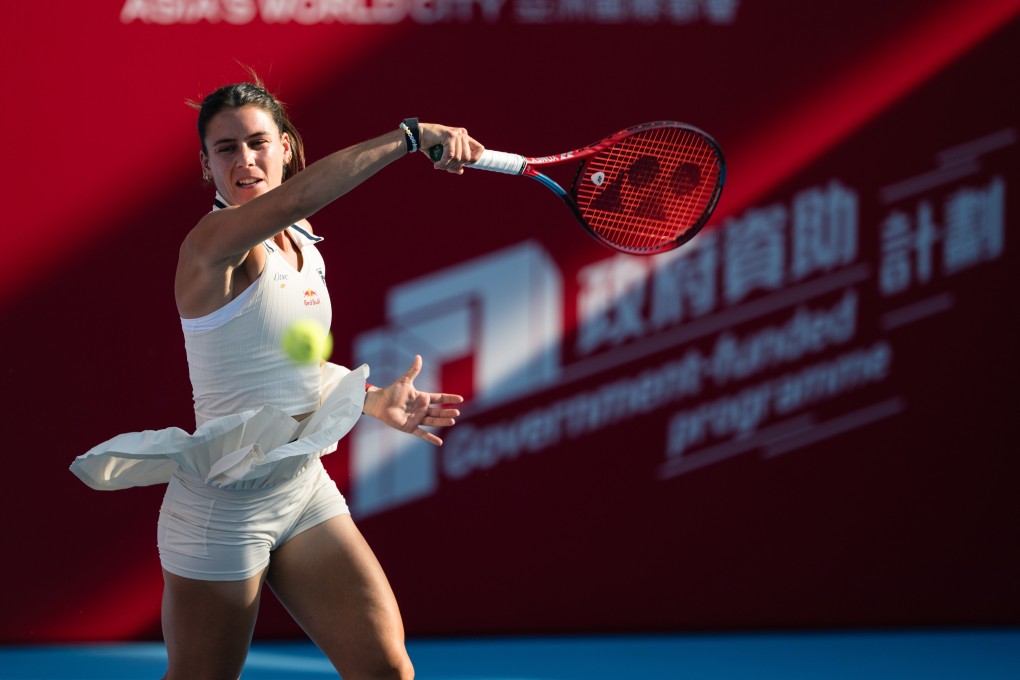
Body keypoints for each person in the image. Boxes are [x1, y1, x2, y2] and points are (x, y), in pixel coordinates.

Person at [70, 76, 485, 680]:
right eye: (226, 149)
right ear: (207, 166)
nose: (245, 160)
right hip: (224, 507)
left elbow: (293, 366)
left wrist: (369, 400)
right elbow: (293, 200)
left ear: (286, 147)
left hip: (301, 488)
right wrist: (411, 138)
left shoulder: (302, 245)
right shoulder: (213, 244)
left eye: (259, 142)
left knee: (385, 669)